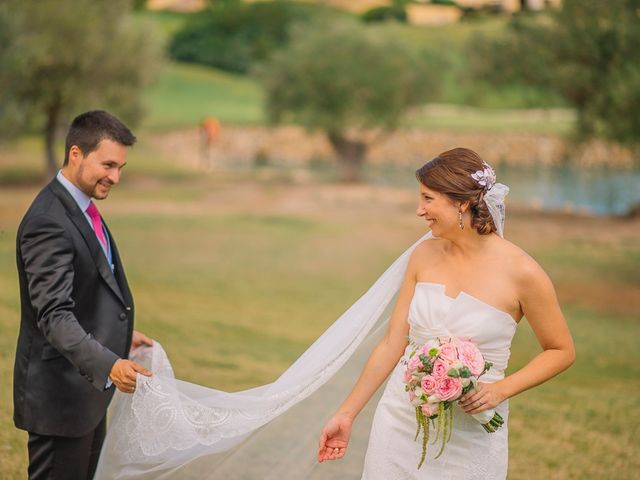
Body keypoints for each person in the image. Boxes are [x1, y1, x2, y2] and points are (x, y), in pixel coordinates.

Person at [317, 147, 576, 478]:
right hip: (399, 419)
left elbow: (561, 350)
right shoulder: (423, 255)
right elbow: (392, 344)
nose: (419, 210)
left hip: (472, 432)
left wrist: (500, 390)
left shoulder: (524, 273)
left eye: (428, 199)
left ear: (461, 203)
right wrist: (347, 414)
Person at [13, 110, 154, 480]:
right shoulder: (48, 220)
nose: (115, 177)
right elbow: (54, 316)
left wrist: (119, 338)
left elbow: (84, 291)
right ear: (76, 153)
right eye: (108, 164)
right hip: (60, 400)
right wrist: (109, 364)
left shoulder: (81, 207)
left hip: (85, 396)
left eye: (121, 167)